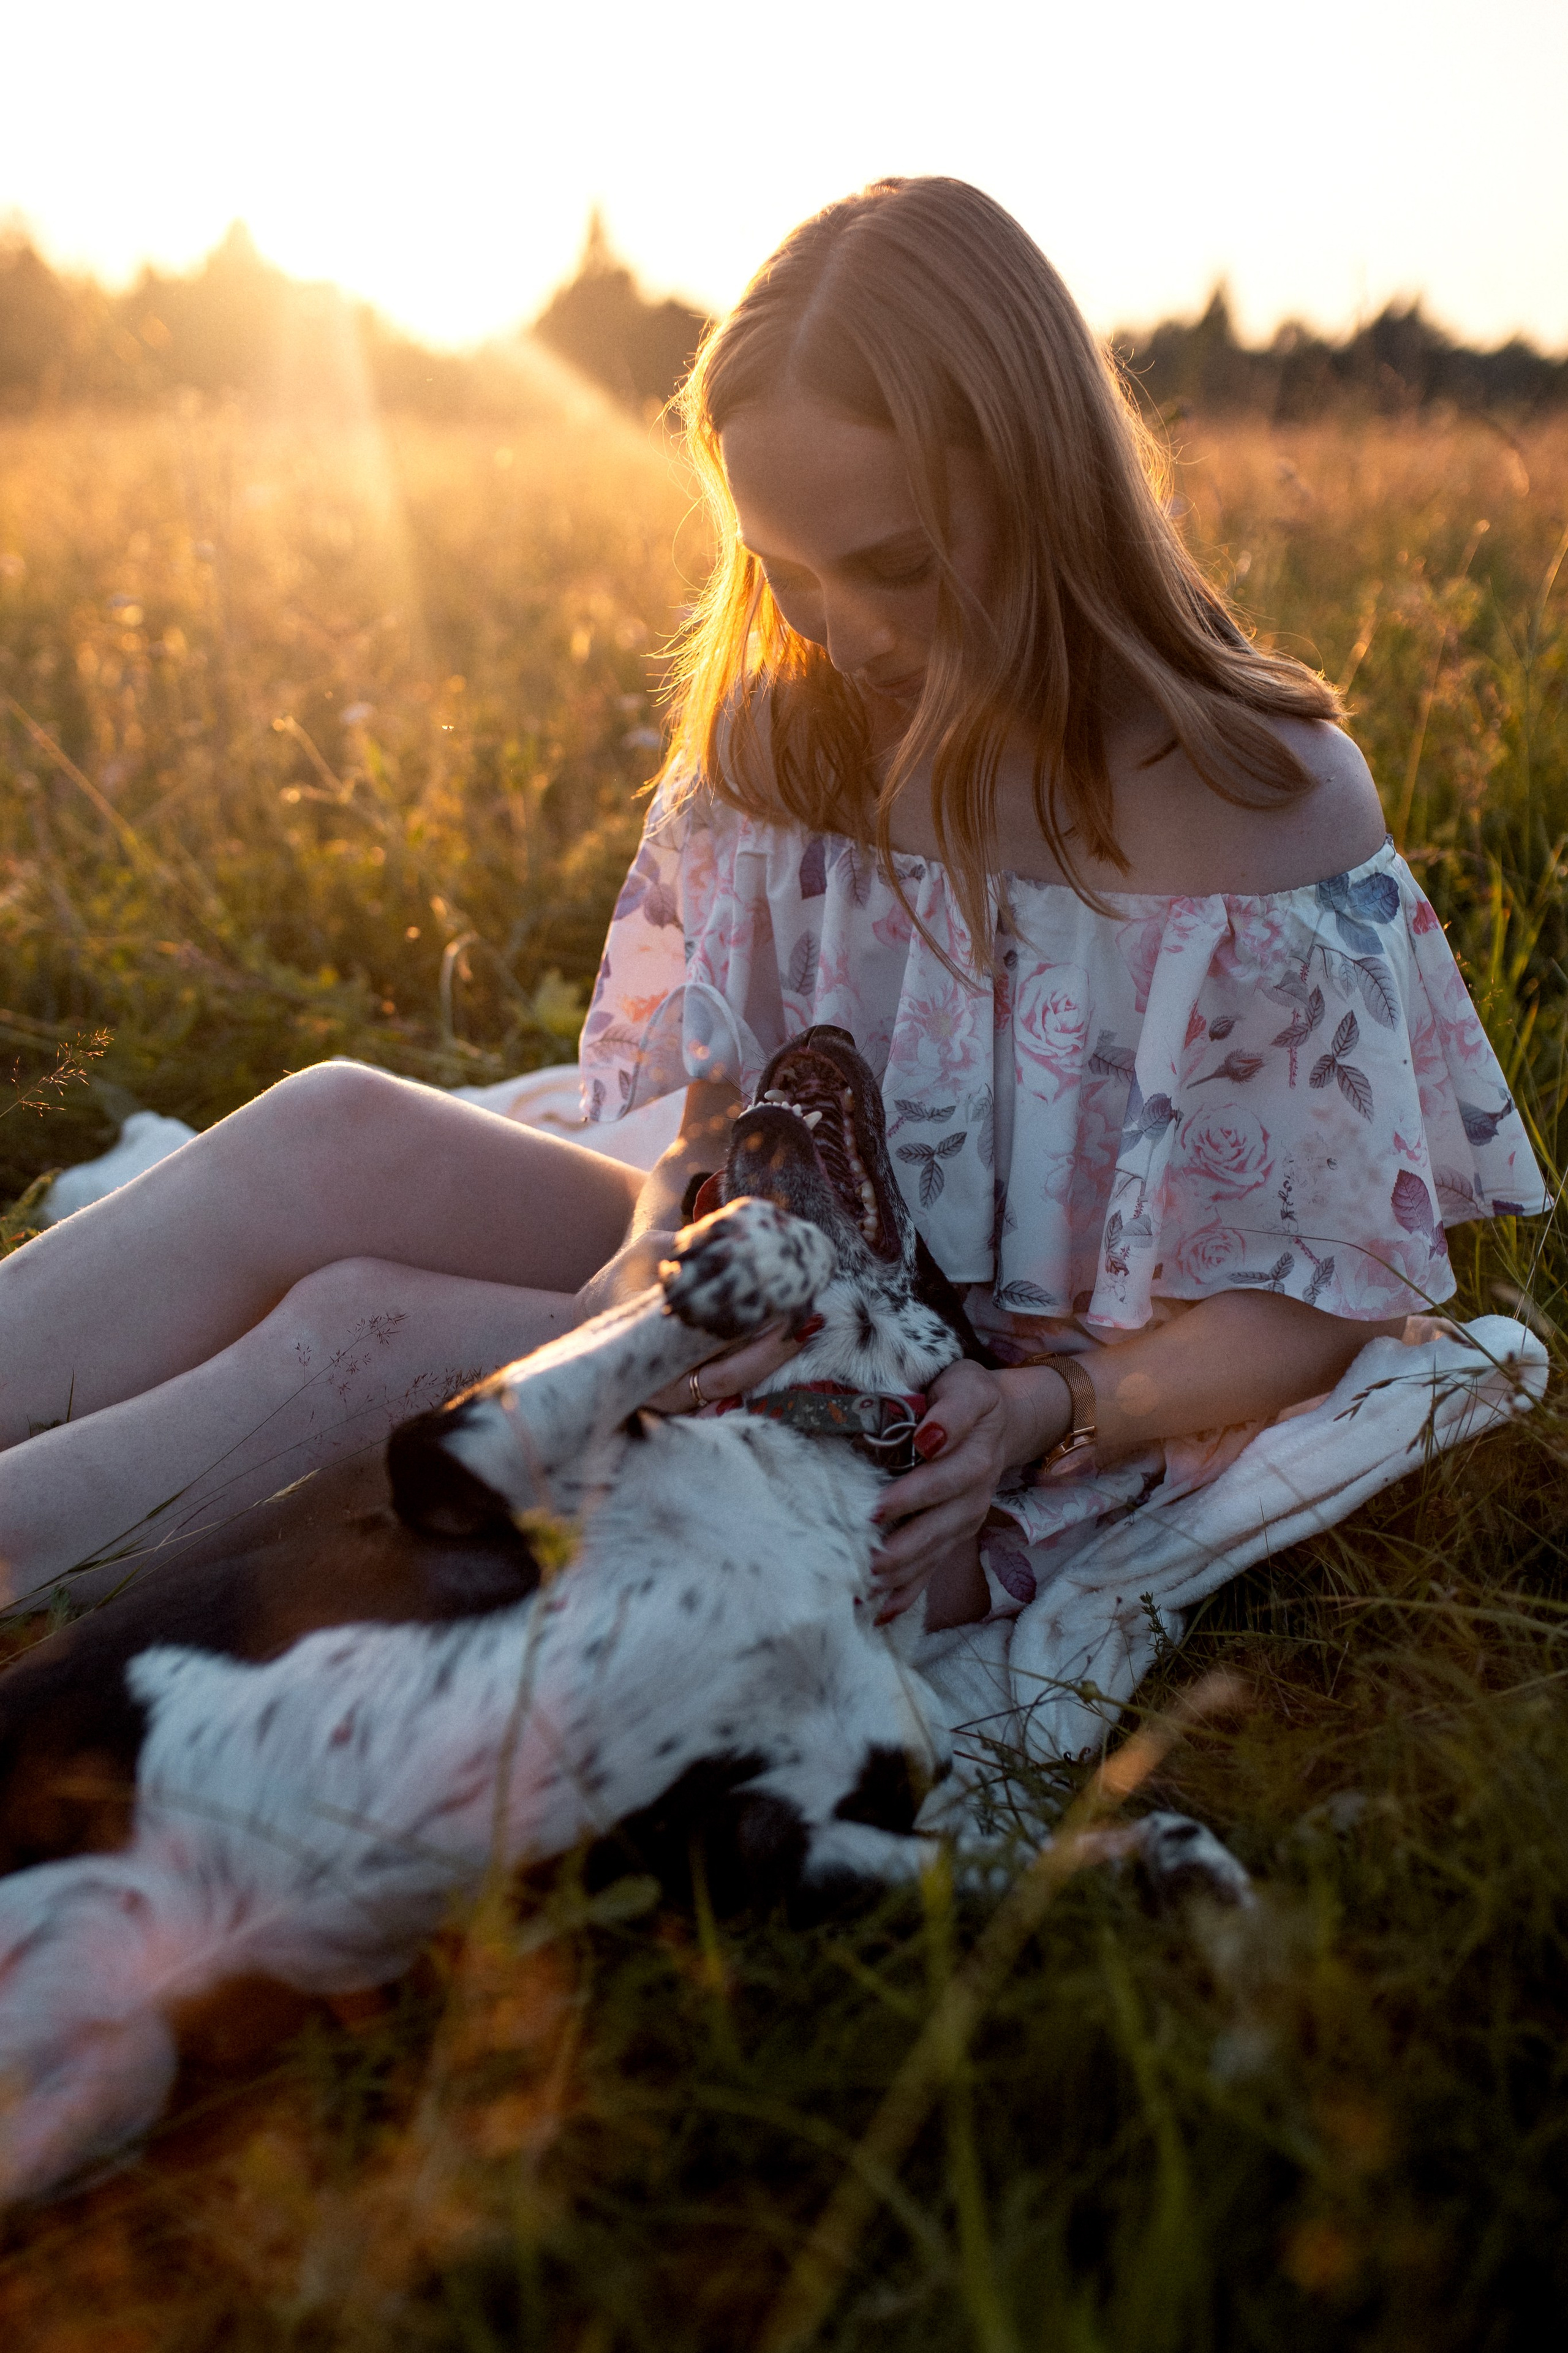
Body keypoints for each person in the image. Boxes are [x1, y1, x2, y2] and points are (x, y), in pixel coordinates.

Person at [0, 176, 1542, 1628]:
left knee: (368, 1327)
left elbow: (1329, 1297)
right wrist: (645, 1270)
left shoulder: (1253, 798)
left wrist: (1039, 1409)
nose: (840, 629)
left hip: (975, 1424)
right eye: (784, 566)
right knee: (332, 1123)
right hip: (764, 1282)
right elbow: (720, 1125)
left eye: (896, 563)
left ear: (1045, 492)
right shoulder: (788, 731)